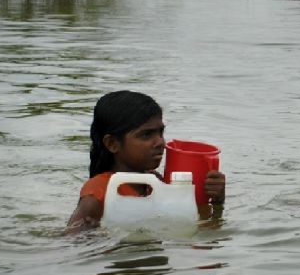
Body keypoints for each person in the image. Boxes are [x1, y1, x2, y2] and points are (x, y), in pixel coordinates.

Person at [66, 90, 226, 233]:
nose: (160, 143)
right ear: (112, 144)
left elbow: (190, 224)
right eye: (146, 135)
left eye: (160, 132)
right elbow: (71, 242)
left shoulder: (155, 182)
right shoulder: (98, 192)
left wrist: (216, 203)